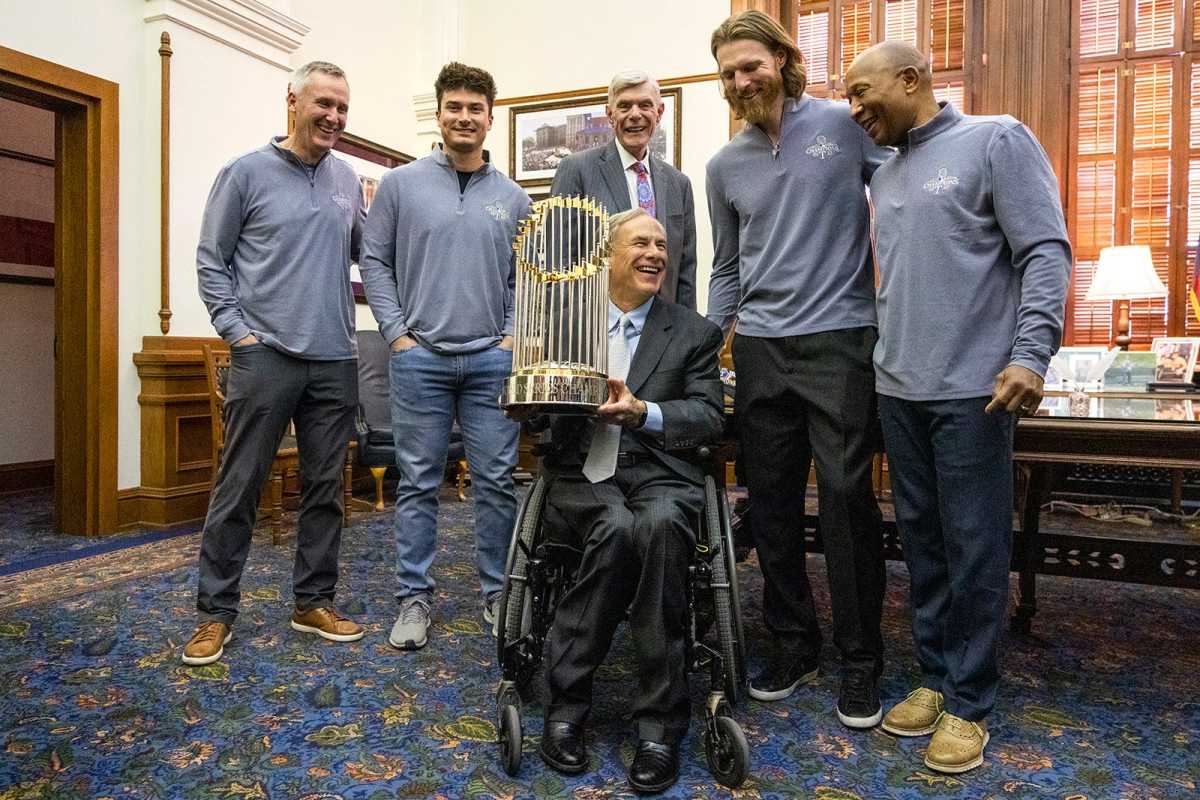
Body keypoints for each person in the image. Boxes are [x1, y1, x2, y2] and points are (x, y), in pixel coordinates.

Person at [844, 41, 1071, 773]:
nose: (853, 109)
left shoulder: (996, 139)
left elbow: (1045, 250)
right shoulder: (889, 168)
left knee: (975, 548)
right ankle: (938, 680)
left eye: (862, 91)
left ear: (911, 79)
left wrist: (1032, 353)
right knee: (925, 546)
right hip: (900, 389)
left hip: (975, 390)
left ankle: (971, 701)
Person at [705, 9, 889, 728]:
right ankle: (793, 642)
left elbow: (899, 202)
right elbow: (727, 267)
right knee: (772, 505)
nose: (741, 80)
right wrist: (710, 336)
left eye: (751, 65)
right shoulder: (724, 166)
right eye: (728, 73)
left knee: (846, 503)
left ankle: (861, 658)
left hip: (841, 343)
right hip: (760, 351)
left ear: (782, 59)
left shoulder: (845, 130)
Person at [517, 208, 723, 794]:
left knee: (655, 527)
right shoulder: (562, 323)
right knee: (612, 528)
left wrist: (644, 412)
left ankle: (659, 727)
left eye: (662, 244)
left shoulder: (693, 332)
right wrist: (530, 406)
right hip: (583, 476)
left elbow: (709, 417)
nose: (655, 253)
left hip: (660, 474)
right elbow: (540, 411)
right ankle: (566, 711)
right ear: (608, 257)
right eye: (640, 243)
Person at [184, 61, 365, 666]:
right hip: (266, 359)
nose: (334, 118)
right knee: (239, 486)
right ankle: (215, 613)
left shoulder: (346, 180)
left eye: (342, 108)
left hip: (336, 358)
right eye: (324, 105)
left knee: (325, 490)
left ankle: (313, 601)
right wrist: (239, 335)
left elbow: (374, 256)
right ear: (292, 100)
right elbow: (212, 261)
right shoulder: (244, 173)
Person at [360, 62, 531, 651]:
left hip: (491, 362)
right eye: (454, 107)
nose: (465, 117)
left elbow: (524, 279)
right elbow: (374, 263)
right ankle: (414, 599)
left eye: (475, 108)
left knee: (497, 483)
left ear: (490, 117)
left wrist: (511, 338)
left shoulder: (513, 198)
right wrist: (397, 333)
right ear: (439, 114)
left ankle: (498, 594)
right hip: (419, 359)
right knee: (417, 483)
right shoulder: (400, 186)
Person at [550, 70, 698, 309]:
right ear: (610, 114)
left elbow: (685, 271)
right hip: (597, 326)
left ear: (659, 113)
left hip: (662, 330)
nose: (635, 114)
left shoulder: (678, 183)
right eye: (625, 106)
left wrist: (687, 337)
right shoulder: (576, 170)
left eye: (645, 105)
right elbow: (558, 262)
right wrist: (570, 331)